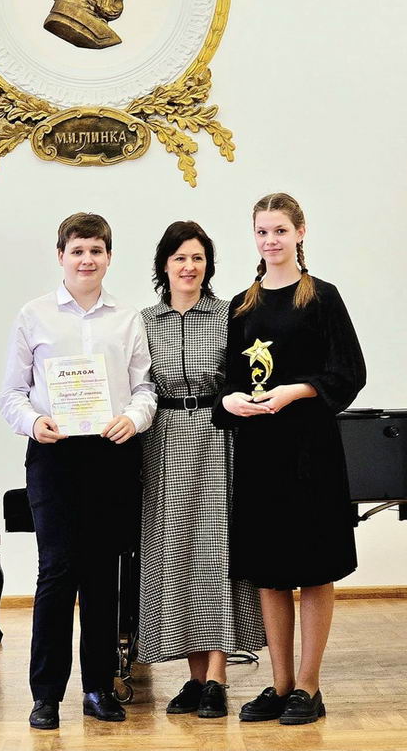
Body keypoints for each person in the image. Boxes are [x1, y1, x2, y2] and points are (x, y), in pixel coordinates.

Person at [0, 212, 156, 730]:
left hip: (111, 454)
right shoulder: (34, 315)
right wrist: (33, 421)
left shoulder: (127, 318)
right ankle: (45, 695)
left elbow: (144, 388)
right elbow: (11, 394)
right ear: (61, 256)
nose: (87, 260)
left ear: (109, 256)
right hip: (55, 455)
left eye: (96, 251)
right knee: (56, 571)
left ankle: (97, 688)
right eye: (77, 251)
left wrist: (134, 418)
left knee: (102, 575)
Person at [212, 193, 366, 726]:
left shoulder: (322, 297)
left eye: (279, 230)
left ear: (300, 232)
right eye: (262, 231)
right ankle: (279, 686)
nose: (270, 240)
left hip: (310, 452)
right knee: (270, 572)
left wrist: (296, 391)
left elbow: (349, 372)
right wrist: (231, 401)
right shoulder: (242, 305)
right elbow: (229, 381)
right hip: (260, 454)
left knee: (315, 568)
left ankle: (308, 686)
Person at [140, 221, 266, 719]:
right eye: (180, 258)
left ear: (208, 264)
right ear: (164, 265)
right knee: (176, 556)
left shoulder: (229, 315)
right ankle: (194, 679)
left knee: (217, 552)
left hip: (218, 436)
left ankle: (217, 677)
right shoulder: (144, 321)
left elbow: (244, 378)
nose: (189, 267)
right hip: (162, 440)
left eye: (197, 258)